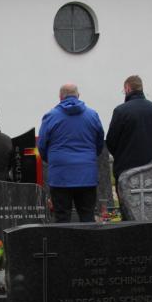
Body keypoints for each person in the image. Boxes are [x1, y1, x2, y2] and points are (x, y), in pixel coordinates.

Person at [38, 83, 105, 223]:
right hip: (86, 174)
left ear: (60, 97)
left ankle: (63, 245)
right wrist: (89, 158)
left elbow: (42, 146)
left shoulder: (50, 116)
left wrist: (53, 161)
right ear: (78, 95)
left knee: (62, 217)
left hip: (60, 175)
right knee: (87, 216)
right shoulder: (92, 115)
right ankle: (88, 244)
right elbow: (99, 143)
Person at [106, 75, 152, 186]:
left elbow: (111, 141)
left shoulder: (120, 111)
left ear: (128, 88)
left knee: (126, 201)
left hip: (126, 167)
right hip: (150, 166)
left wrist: (121, 153)